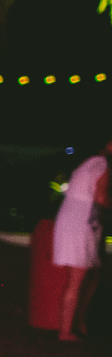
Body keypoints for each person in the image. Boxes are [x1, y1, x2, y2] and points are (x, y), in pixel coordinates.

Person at [54, 143, 109, 340]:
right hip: (81, 221)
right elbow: (100, 195)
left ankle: (78, 321)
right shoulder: (102, 164)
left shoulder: (88, 163)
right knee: (77, 278)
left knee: (93, 273)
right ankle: (65, 331)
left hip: (76, 218)